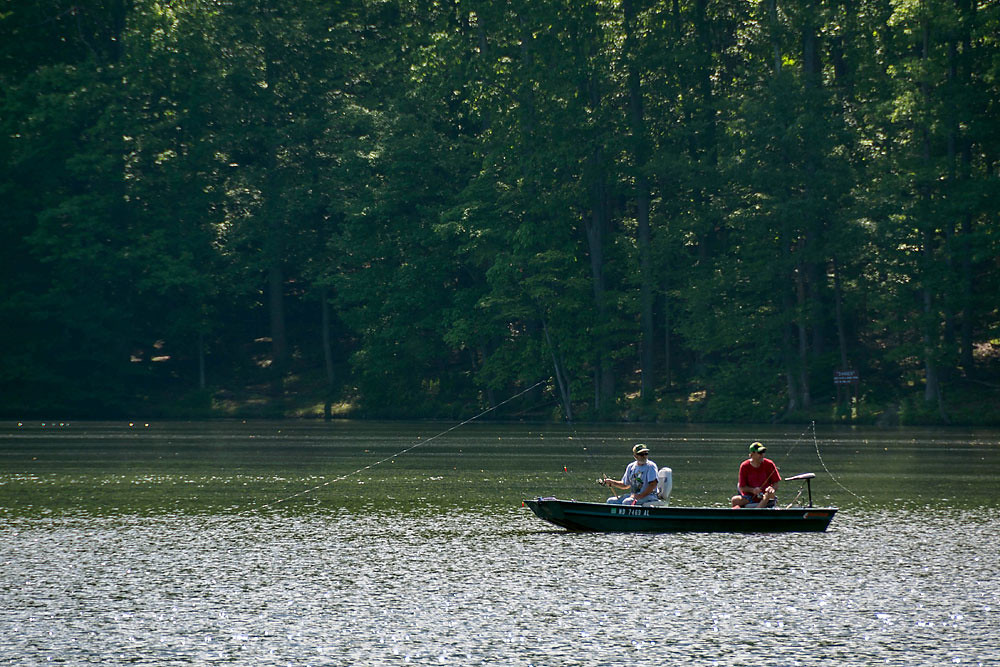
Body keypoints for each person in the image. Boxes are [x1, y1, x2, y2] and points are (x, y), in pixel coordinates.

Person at [731, 441, 781, 508]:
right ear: (752, 454)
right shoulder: (744, 466)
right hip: (749, 497)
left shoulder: (770, 464)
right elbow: (742, 487)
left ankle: (756, 513)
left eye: (763, 452)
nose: (762, 455)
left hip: (766, 496)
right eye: (759, 453)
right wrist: (753, 490)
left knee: (768, 494)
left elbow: (776, 483)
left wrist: (771, 488)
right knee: (735, 500)